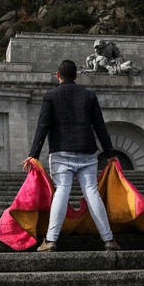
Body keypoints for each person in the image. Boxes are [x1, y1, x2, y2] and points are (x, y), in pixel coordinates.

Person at [23, 59, 120, 252]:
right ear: (76, 76)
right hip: (87, 151)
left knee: (62, 192)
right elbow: (99, 126)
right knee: (91, 192)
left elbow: (43, 126)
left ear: (58, 75)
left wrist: (33, 154)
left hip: (61, 151)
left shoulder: (50, 96)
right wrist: (110, 154)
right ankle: (108, 239)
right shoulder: (88, 95)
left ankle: (50, 240)